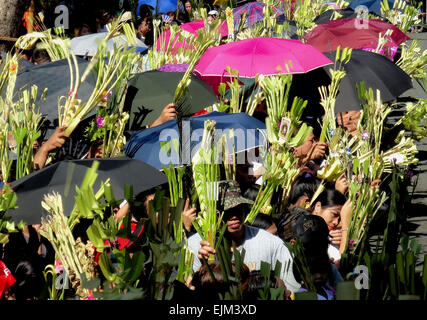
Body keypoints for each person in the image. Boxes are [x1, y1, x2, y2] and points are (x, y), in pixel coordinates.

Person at [187, 181, 301, 294]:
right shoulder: (196, 246)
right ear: (212, 213)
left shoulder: (269, 243)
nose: (234, 216)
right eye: (226, 212)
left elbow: (292, 286)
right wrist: (205, 267)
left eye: (238, 209)